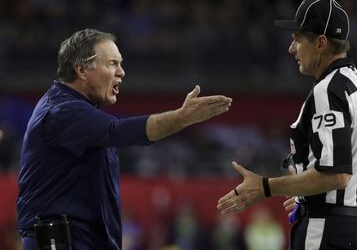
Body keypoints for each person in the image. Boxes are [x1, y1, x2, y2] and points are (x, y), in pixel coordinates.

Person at [17, 28, 232, 250]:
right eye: (112, 64)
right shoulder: (63, 111)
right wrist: (182, 117)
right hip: (59, 243)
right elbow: (119, 131)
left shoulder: (76, 112)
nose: (121, 72)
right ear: (81, 70)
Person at [217, 0, 357, 249]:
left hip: (330, 231)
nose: (291, 49)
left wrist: (264, 187)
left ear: (320, 43)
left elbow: (337, 175)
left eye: (297, 40)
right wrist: (307, 193)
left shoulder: (327, 91)